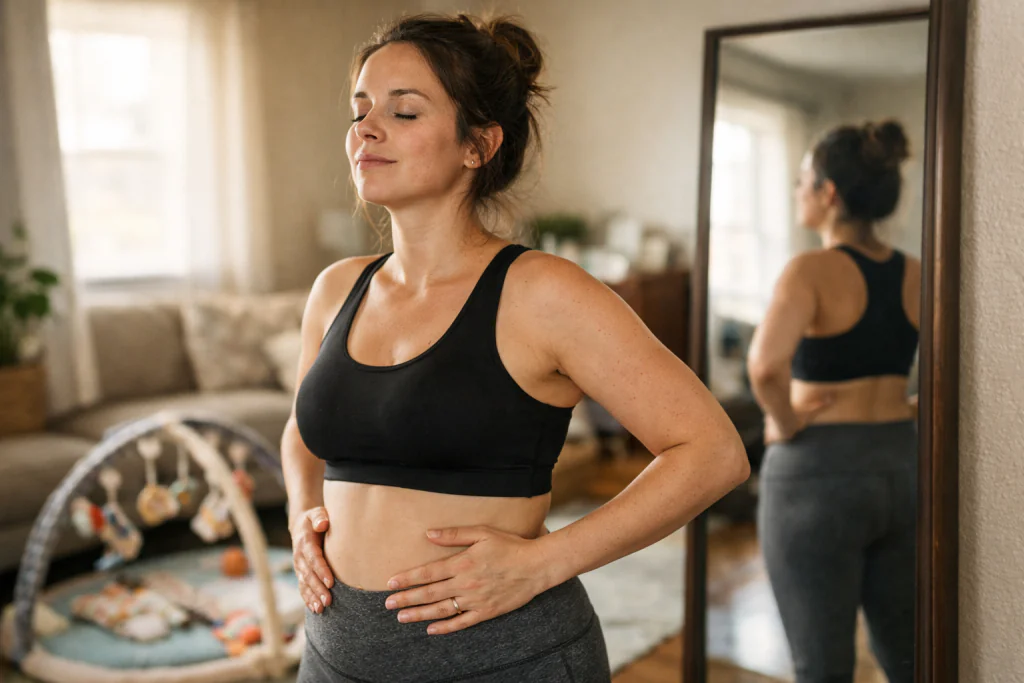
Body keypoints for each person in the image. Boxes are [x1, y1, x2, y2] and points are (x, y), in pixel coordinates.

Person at [283, 13, 749, 682]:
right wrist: (303, 515)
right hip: (335, 655)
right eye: (360, 111)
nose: (366, 129)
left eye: (404, 111)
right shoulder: (335, 290)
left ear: (478, 144)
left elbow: (712, 452)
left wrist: (545, 560)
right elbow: (302, 433)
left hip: (504, 659)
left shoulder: (540, 292)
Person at [746, 120, 920, 683]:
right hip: (902, 464)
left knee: (822, 666)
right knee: (909, 656)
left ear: (828, 194)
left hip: (818, 475)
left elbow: (765, 366)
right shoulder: (917, 273)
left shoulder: (809, 270)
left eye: (802, 180)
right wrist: (911, 403)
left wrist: (787, 421)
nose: (796, 191)